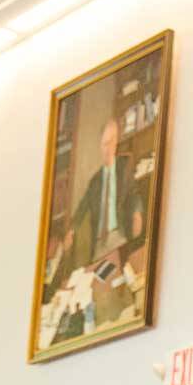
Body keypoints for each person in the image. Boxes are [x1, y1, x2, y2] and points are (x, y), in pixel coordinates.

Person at [48, 117, 144, 343]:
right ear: (100, 146)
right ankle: (99, 321)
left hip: (119, 236)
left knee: (110, 276)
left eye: (112, 142)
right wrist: (71, 230)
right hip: (100, 244)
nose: (108, 147)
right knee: (94, 279)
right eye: (104, 143)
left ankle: (117, 316)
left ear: (117, 142)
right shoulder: (94, 181)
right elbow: (80, 209)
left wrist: (137, 212)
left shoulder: (124, 169)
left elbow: (135, 193)